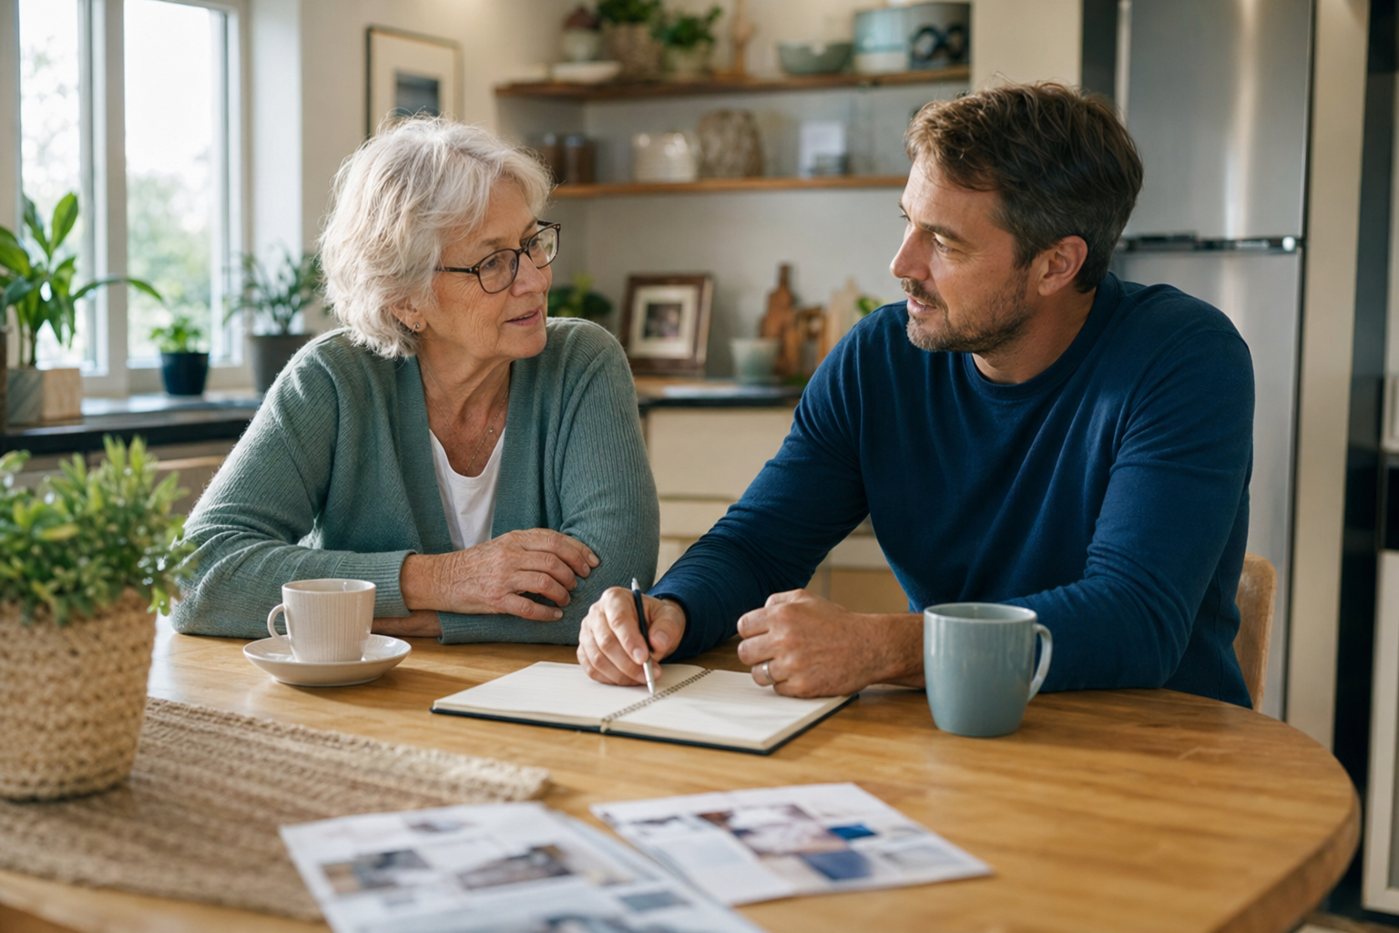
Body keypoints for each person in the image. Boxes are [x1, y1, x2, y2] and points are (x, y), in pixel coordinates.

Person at [578, 82, 1254, 707]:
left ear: (1055, 264)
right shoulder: (879, 355)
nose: (901, 265)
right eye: (907, 221)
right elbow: (759, 544)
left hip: (1153, 750)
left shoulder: (1183, 357)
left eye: (944, 242)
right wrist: (672, 611)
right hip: (952, 737)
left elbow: (1133, 619)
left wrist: (886, 647)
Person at [171, 117, 658, 644]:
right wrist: (438, 581)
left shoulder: (582, 365)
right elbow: (195, 576)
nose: (536, 279)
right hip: (371, 708)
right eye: (495, 262)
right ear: (406, 298)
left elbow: (613, 589)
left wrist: (394, 619)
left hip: (544, 711)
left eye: (532, 243)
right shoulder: (332, 383)